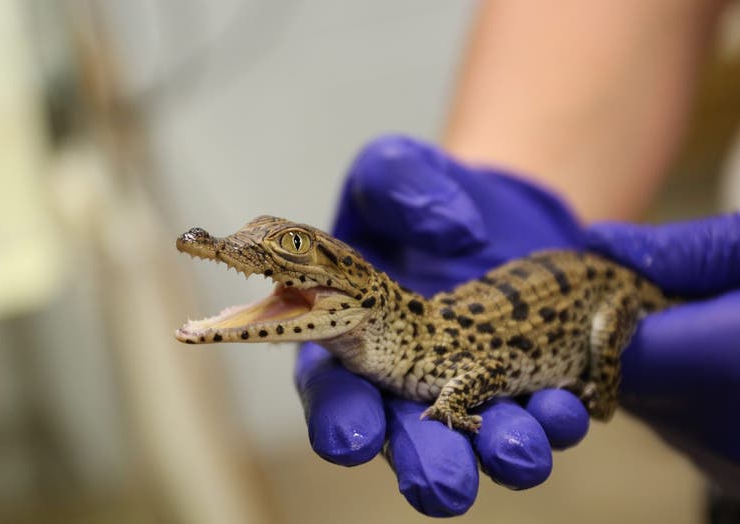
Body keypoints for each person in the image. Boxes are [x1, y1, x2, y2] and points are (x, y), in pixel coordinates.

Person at [294, 1, 740, 517]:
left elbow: (487, 365)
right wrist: (521, 176)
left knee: (604, 345)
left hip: (609, 298)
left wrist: (602, 381)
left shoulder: (439, 356)